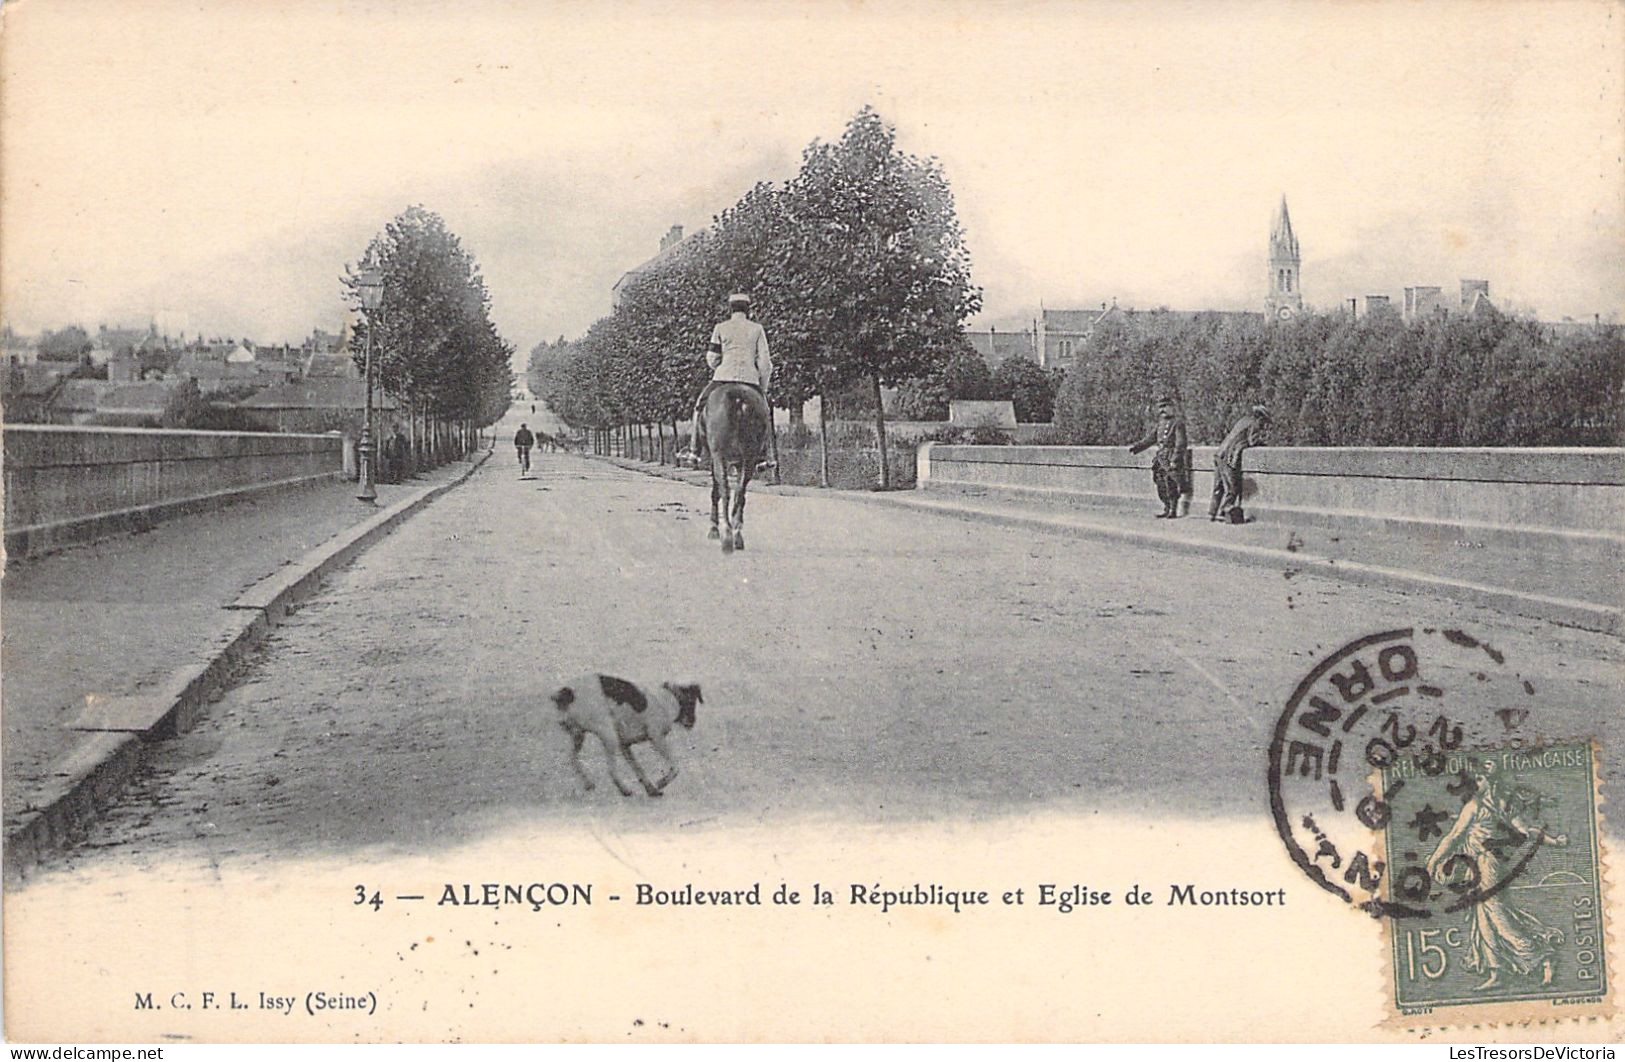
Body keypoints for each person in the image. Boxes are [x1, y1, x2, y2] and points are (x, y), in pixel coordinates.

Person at [1426, 758, 1568, 989]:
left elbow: (1452, 837)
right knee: (1483, 918)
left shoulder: (1474, 806)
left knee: (1498, 916)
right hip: (1481, 865)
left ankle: (1542, 956)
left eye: (1479, 778)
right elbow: (1527, 831)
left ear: (1487, 781)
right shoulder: (1504, 803)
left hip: (1485, 865)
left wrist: (1433, 862)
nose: (1474, 783)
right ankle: (1497, 972)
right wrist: (1555, 841)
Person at [686, 293, 773, 469]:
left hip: (723, 377)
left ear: (730, 308)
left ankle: (694, 450)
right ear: (748, 309)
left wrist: (721, 364)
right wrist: (761, 388)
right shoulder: (757, 329)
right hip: (750, 379)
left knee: (699, 405)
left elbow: (712, 358)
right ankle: (764, 455)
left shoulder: (721, 327)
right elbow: (765, 363)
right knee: (765, 412)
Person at [1127, 397, 1189, 518]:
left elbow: (1181, 443)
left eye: (1165, 406)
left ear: (1172, 408)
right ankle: (1166, 507)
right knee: (1160, 483)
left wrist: (1175, 459)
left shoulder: (1178, 423)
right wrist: (1137, 447)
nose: (1163, 410)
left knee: (1170, 482)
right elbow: (1151, 438)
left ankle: (1173, 510)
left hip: (1170, 457)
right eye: (1161, 407)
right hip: (1161, 458)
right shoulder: (1160, 424)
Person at [1209, 404, 1271, 522]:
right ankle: (1225, 511)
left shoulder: (1243, 420)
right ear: (1260, 418)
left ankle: (1212, 512)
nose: (1264, 425)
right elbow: (1252, 441)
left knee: (1218, 486)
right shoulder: (1255, 424)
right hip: (1229, 456)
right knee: (1232, 488)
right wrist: (1263, 443)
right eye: (1264, 421)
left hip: (1219, 453)